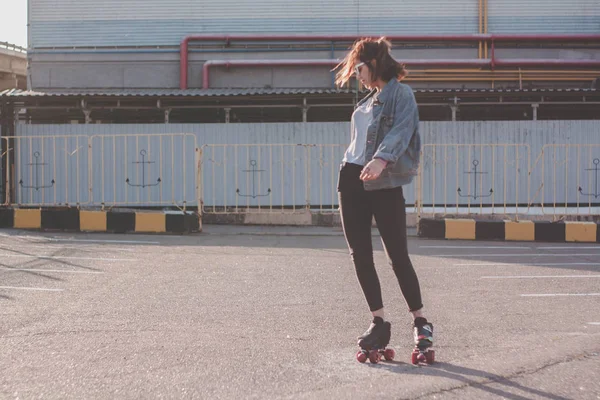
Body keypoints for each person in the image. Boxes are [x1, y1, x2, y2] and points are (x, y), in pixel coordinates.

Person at [333, 37, 433, 355]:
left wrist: (382, 158)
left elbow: (402, 129)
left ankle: (421, 322)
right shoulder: (367, 102)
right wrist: (364, 163)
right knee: (360, 255)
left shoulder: (400, 94)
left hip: (383, 180)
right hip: (352, 178)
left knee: (397, 257)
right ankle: (378, 322)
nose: (357, 75)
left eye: (359, 68)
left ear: (373, 63)